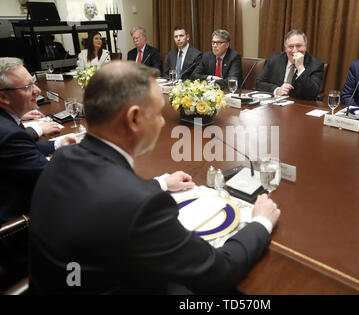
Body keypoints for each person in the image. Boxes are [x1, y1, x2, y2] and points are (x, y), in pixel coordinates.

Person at [29, 61, 280, 294]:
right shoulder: (140, 205)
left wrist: (160, 183)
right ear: (134, 118)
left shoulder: (64, 157)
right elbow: (218, 270)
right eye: (159, 113)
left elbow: (100, 200)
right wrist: (261, 223)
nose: (162, 122)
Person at [0, 57, 77, 225]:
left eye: (33, 83)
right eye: (28, 87)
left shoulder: (7, 125)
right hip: (20, 222)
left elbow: (23, 149)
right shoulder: (8, 134)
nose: (37, 91)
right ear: (4, 97)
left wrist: (57, 144)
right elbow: (54, 178)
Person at [256, 30, 324, 100]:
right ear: (285, 48)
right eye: (291, 46)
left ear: (305, 47)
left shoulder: (316, 65)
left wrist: (301, 68)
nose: (295, 50)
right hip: (274, 105)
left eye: (299, 46)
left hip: (299, 106)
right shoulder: (275, 58)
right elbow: (259, 83)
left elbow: (312, 94)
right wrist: (277, 90)